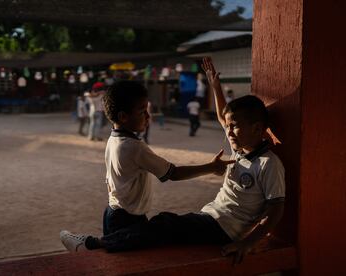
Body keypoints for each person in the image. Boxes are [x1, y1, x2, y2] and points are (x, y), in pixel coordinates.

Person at [60, 59, 286, 264]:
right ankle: (98, 245)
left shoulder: (268, 163)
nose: (229, 132)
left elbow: (276, 208)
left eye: (234, 126)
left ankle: (91, 244)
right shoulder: (240, 146)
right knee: (157, 233)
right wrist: (215, 87)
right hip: (210, 217)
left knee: (164, 224)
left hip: (225, 229)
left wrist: (248, 243)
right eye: (228, 127)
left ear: (257, 129)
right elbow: (222, 117)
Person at [60, 80, 235, 249]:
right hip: (126, 217)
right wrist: (211, 167)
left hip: (115, 211)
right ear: (123, 116)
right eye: (142, 111)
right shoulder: (135, 147)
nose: (148, 116)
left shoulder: (115, 139)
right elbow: (173, 173)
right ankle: (87, 244)